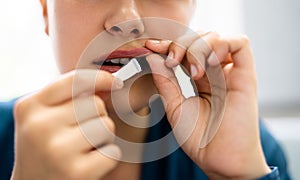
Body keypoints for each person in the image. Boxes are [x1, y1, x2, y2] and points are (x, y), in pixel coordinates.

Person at [0, 0, 291, 179]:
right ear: (45, 11)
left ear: (192, 7)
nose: (128, 20)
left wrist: (242, 176)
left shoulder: (250, 147)